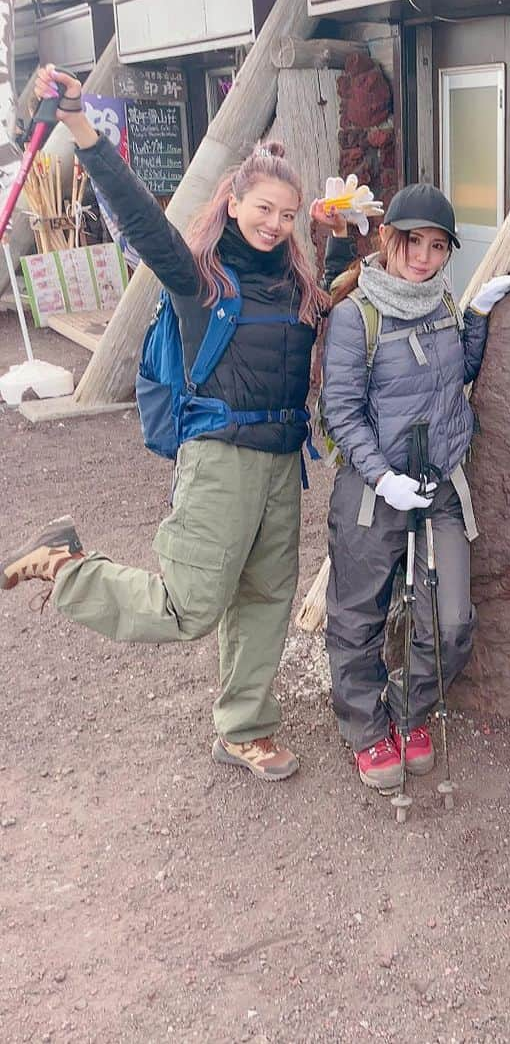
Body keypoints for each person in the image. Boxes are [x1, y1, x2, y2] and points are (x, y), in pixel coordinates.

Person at [2, 65, 338, 781]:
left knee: (265, 601)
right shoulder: (199, 276)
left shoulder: (294, 280)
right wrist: (83, 130)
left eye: (287, 214)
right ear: (235, 200)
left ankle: (245, 729)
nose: (274, 224)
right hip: (220, 458)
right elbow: (140, 220)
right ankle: (67, 568)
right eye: (264, 209)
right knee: (189, 607)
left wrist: (337, 247)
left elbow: (304, 346)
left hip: (282, 462)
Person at [320, 184, 510, 788]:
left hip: (438, 480)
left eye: (438, 247)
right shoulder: (354, 316)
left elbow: (455, 373)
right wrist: (383, 476)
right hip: (372, 487)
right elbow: (341, 409)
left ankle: (409, 709)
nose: (426, 256)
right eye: (415, 242)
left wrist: (480, 315)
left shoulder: (441, 305)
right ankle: (365, 728)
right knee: (359, 613)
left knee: (453, 616)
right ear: (390, 239)